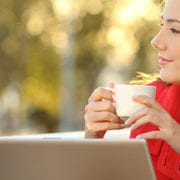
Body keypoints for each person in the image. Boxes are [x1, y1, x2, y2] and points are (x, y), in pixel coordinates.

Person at [84, 0, 180, 179]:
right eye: (162, 25)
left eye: (175, 30)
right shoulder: (149, 100)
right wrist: (92, 140)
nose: (155, 41)